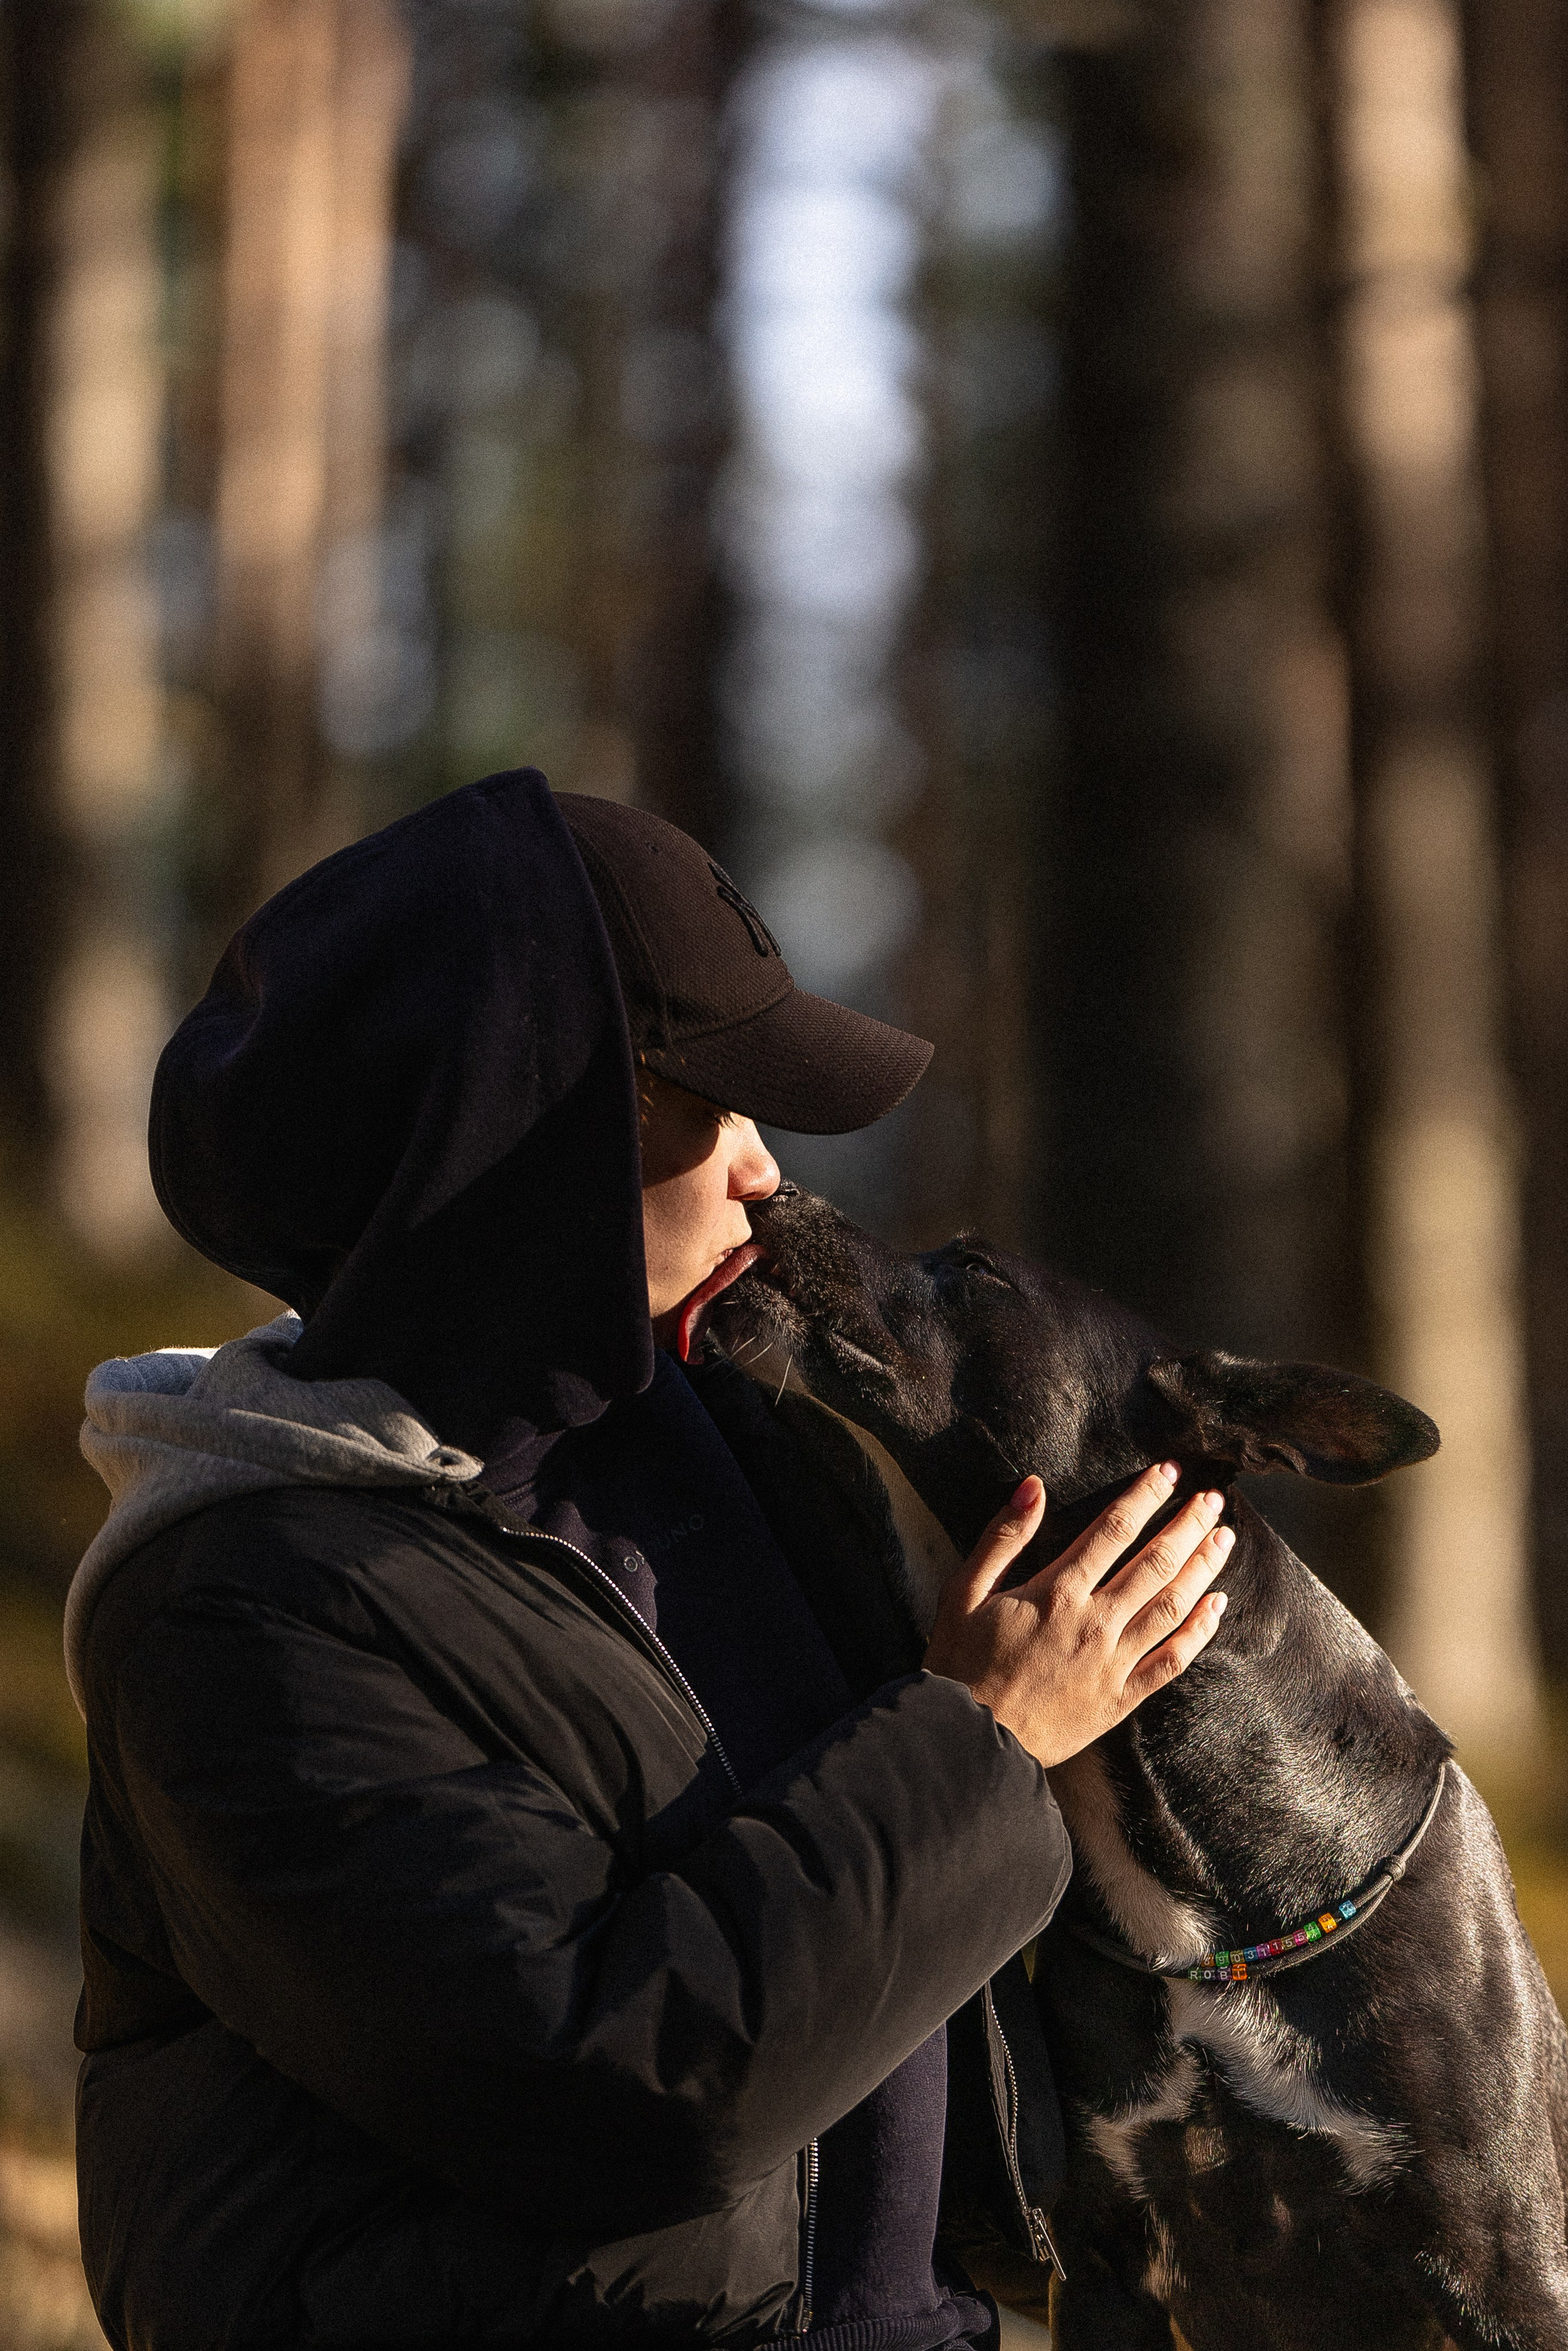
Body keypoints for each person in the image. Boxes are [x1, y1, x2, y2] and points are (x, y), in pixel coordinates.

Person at [70, 770, 1231, 2350]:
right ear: (527, 1141)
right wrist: (989, 1740)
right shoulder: (241, 1612)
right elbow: (616, 2085)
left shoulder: (734, 1452)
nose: (766, 1168)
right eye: (716, 1104)